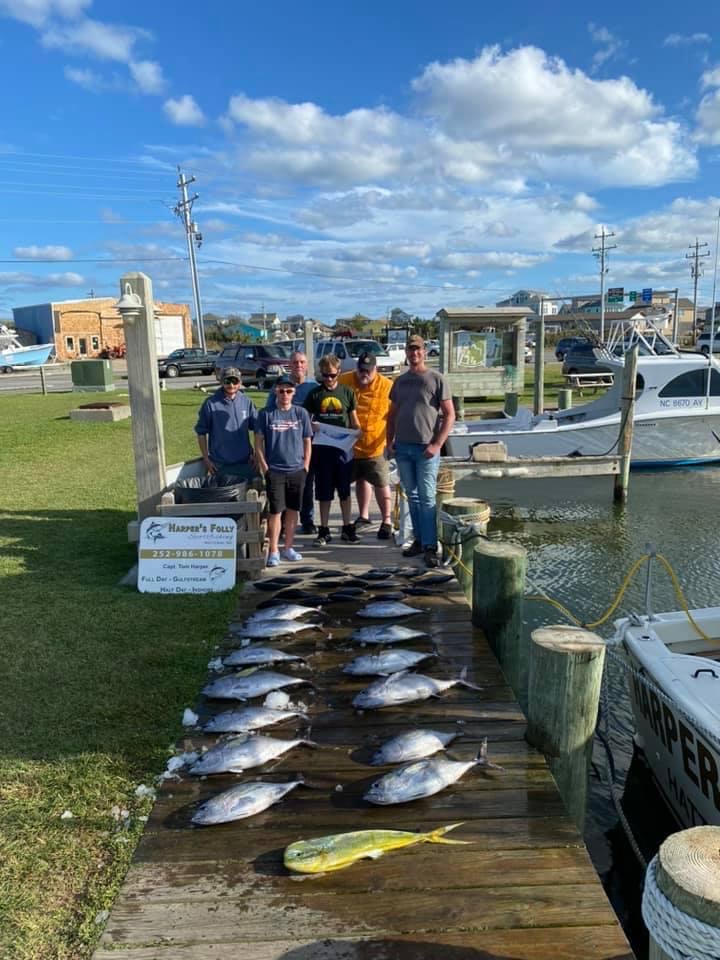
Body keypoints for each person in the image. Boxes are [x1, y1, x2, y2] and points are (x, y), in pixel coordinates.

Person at [386, 335, 455, 568]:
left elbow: (449, 415)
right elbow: (392, 415)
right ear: (406, 353)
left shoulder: (436, 379)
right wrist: (389, 441)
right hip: (403, 447)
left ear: (424, 352)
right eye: (410, 349)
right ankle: (418, 539)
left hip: (426, 448)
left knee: (427, 498)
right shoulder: (400, 381)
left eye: (418, 350)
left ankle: (430, 545)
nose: (414, 353)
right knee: (412, 496)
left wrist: (437, 444)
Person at [254, 376, 313, 567]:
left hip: (297, 469)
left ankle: (288, 547)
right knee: (276, 511)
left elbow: (307, 441)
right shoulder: (265, 414)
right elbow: (258, 443)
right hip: (275, 470)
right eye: (281, 391)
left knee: (293, 510)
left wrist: (306, 465)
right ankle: (274, 550)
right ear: (275, 392)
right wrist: (265, 468)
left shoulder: (301, 413)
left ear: (294, 392)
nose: (285, 394)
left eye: (289, 391)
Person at [304, 353, 361, 545]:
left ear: (339, 373)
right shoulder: (314, 394)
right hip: (322, 449)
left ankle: (347, 527)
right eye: (325, 375)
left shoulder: (347, 393)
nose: (329, 379)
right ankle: (324, 529)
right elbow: (307, 420)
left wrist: (358, 431)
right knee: (324, 491)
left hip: (343, 450)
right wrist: (312, 426)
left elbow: (354, 421)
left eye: (332, 375)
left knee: (344, 491)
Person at [338, 351, 393, 539]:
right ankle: (363, 516)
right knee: (357, 481)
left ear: (375, 369)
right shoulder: (344, 380)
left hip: (375, 446)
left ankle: (387, 521)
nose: (364, 374)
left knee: (381, 482)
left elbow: (395, 414)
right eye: (361, 370)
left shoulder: (387, 386)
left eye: (368, 371)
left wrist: (392, 441)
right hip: (349, 446)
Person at [264, 351, 317, 533]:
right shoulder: (280, 386)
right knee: (282, 491)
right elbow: (269, 410)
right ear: (290, 365)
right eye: (295, 362)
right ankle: (284, 525)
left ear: (307, 365)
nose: (299, 365)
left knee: (306, 485)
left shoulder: (314, 387)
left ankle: (308, 520)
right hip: (282, 441)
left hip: (307, 442)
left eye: (302, 362)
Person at [195, 366, 257, 482]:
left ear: (240, 382)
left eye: (235, 381)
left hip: (246, 463)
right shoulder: (210, 404)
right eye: (227, 381)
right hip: (221, 464)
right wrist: (206, 459)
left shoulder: (246, 401)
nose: (231, 385)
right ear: (221, 382)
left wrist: (257, 455)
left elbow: (258, 430)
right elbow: (201, 433)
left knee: (252, 496)